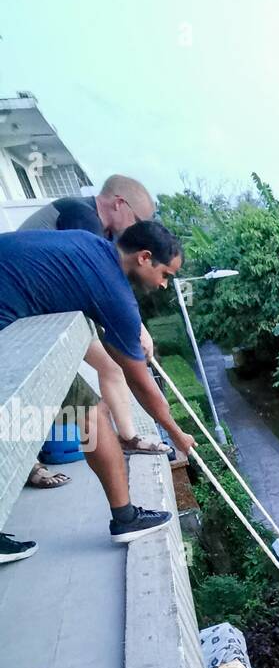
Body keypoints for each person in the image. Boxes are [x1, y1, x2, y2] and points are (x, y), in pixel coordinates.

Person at [0, 221, 195, 564]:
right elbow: (141, 383)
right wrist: (178, 435)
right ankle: (125, 518)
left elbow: (114, 343)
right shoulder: (114, 291)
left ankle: (125, 517)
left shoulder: (92, 247)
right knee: (89, 414)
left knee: (90, 413)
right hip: (11, 338)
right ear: (144, 258)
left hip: (17, 329)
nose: (165, 285)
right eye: (166, 274)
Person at [19, 175, 165, 479]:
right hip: (24, 318)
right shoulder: (81, 218)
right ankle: (26, 464)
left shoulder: (103, 230)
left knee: (111, 367)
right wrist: (139, 330)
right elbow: (105, 289)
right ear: (119, 204)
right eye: (138, 222)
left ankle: (129, 437)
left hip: (47, 316)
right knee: (35, 393)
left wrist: (135, 328)